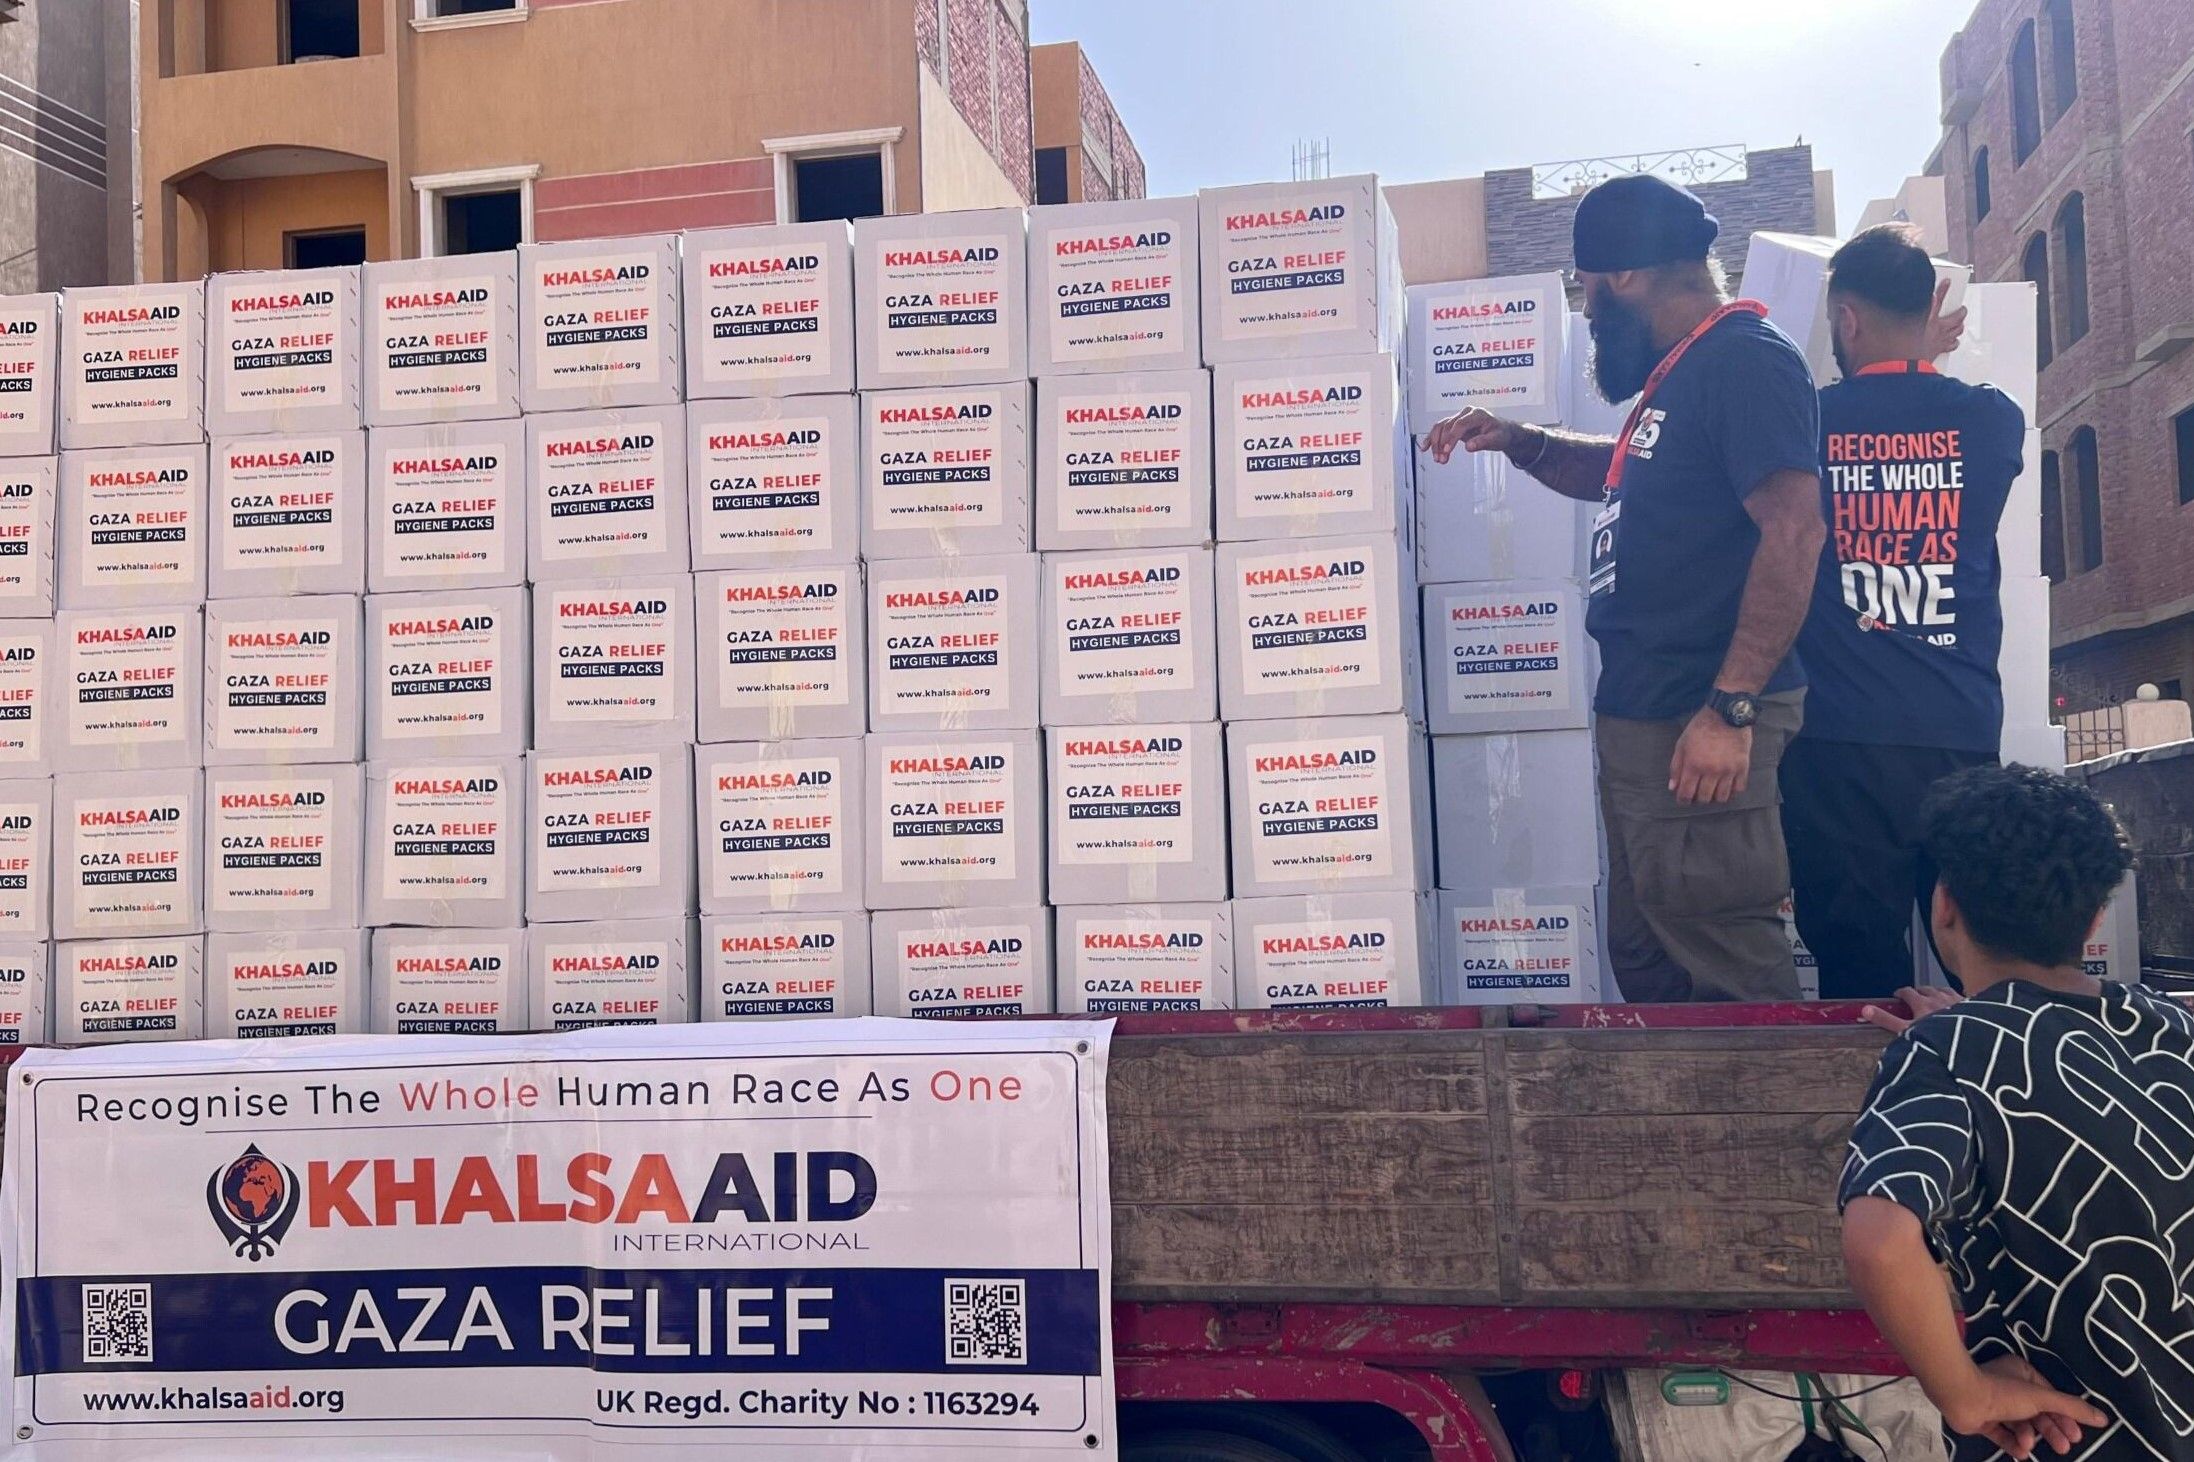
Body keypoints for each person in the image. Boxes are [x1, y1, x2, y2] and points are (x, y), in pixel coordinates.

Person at [1424, 174, 1826, 1002]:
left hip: (1699, 714)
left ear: (1629, 278)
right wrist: (1522, 442)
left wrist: (1731, 707)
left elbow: (1795, 531)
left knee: (1721, 951)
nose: (1585, 307)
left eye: (1588, 287)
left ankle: (1767, 1128)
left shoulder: (1744, 361)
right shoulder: (1684, 375)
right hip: (1653, 712)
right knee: (1650, 951)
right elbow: (1624, 475)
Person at [1839, 764, 2190, 1460]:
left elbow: (1879, 1241)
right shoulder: (2167, 1028)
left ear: (1943, 904)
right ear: (2094, 919)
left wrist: (1966, 1394)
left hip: (2059, 1437)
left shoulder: (1950, 1051)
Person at [1783, 224, 2027, 1001]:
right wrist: (1925, 352)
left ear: (1846, 320)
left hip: (1838, 745)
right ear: (1928, 311)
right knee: (1990, 966)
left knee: (1858, 977)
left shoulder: (1805, 424)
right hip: (1956, 732)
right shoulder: (1992, 420)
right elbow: (1924, 401)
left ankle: (1877, 1118)